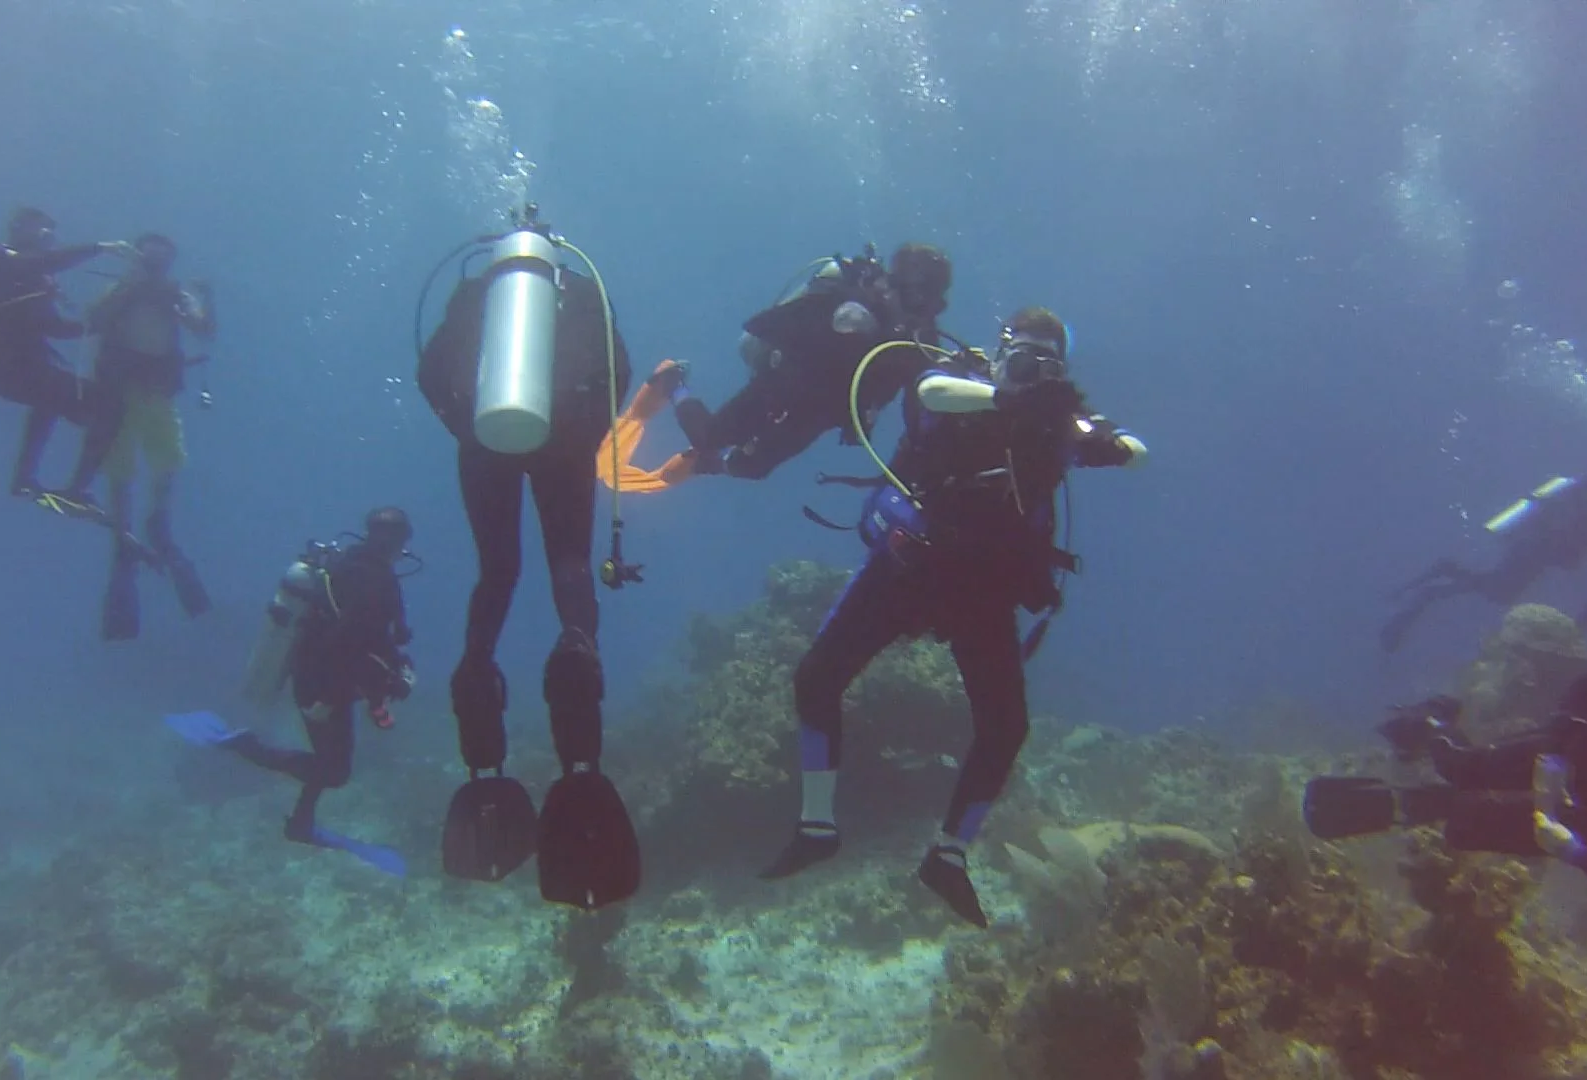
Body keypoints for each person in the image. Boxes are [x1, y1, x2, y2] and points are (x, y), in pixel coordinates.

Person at [758, 307, 1147, 926]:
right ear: (1000, 351)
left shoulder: (1059, 417)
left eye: (1048, 363)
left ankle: (948, 856)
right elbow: (928, 391)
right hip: (911, 567)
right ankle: (816, 828)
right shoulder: (961, 378)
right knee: (816, 679)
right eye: (1023, 355)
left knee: (1006, 727)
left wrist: (1086, 432)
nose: (1033, 371)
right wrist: (1010, 396)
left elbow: (1135, 452)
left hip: (983, 591)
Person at [416, 218, 642, 911]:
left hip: (484, 438)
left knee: (499, 571)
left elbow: (430, 371)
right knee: (568, 563)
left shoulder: (477, 290)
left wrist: (473, 429)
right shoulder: (580, 288)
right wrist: (577, 435)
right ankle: (577, 652)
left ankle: (477, 666)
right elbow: (619, 371)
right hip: (566, 438)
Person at [1305, 660, 1587, 955]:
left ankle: (1402, 802)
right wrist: (1558, 750)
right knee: (1466, 769)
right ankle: (1431, 725)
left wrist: (1576, 849)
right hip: (1582, 751)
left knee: (1462, 813)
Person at [164, 508, 418, 875]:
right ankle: (244, 746)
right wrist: (336, 696)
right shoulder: (375, 579)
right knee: (334, 771)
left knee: (328, 758)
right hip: (325, 685)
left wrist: (383, 678)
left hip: (322, 678)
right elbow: (348, 638)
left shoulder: (346, 563)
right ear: (398, 541)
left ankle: (301, 822)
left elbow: (366, 638)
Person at [601, 243, 955, 491]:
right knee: (708, 438)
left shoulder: (919, 342)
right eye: (914, 291)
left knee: (752, 468)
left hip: (823, 411)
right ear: (899, 281)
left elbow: (920, 404)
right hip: (786, 379)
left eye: (930, 300)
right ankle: (673, 381)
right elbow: (821, 336)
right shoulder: (859, 300)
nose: (919, 306)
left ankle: (711, 463)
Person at [0, 207, 134, 511]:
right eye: (41, 229)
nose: (48, 237)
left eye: (51, 232)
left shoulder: (35, 278)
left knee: (55, 396)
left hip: (19, 368)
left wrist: (96, 325)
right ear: (18, 228)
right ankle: (72, 488)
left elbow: (51, 327)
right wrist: (100, 248)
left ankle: (27, 480)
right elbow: (40, 263)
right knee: (108, 406)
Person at [87, 233, 217, 640]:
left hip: (156, 394)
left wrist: (204, 296)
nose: (158, 261)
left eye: (165, 255)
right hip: (117, 393)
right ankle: (128, 531)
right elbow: (93, 321)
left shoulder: (173, 294)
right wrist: (131, 286)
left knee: (166, 462)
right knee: (123, 471)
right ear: (139, 256)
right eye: (151, 253)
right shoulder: (121, 289)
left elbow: (203, 329)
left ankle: (154, 523)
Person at [1381, 471, 1587, 652]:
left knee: (1498, 591)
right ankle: (1438, 580)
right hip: (1535, 550)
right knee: (1498, 591)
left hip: (1533, 547)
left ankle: (1438, 582)